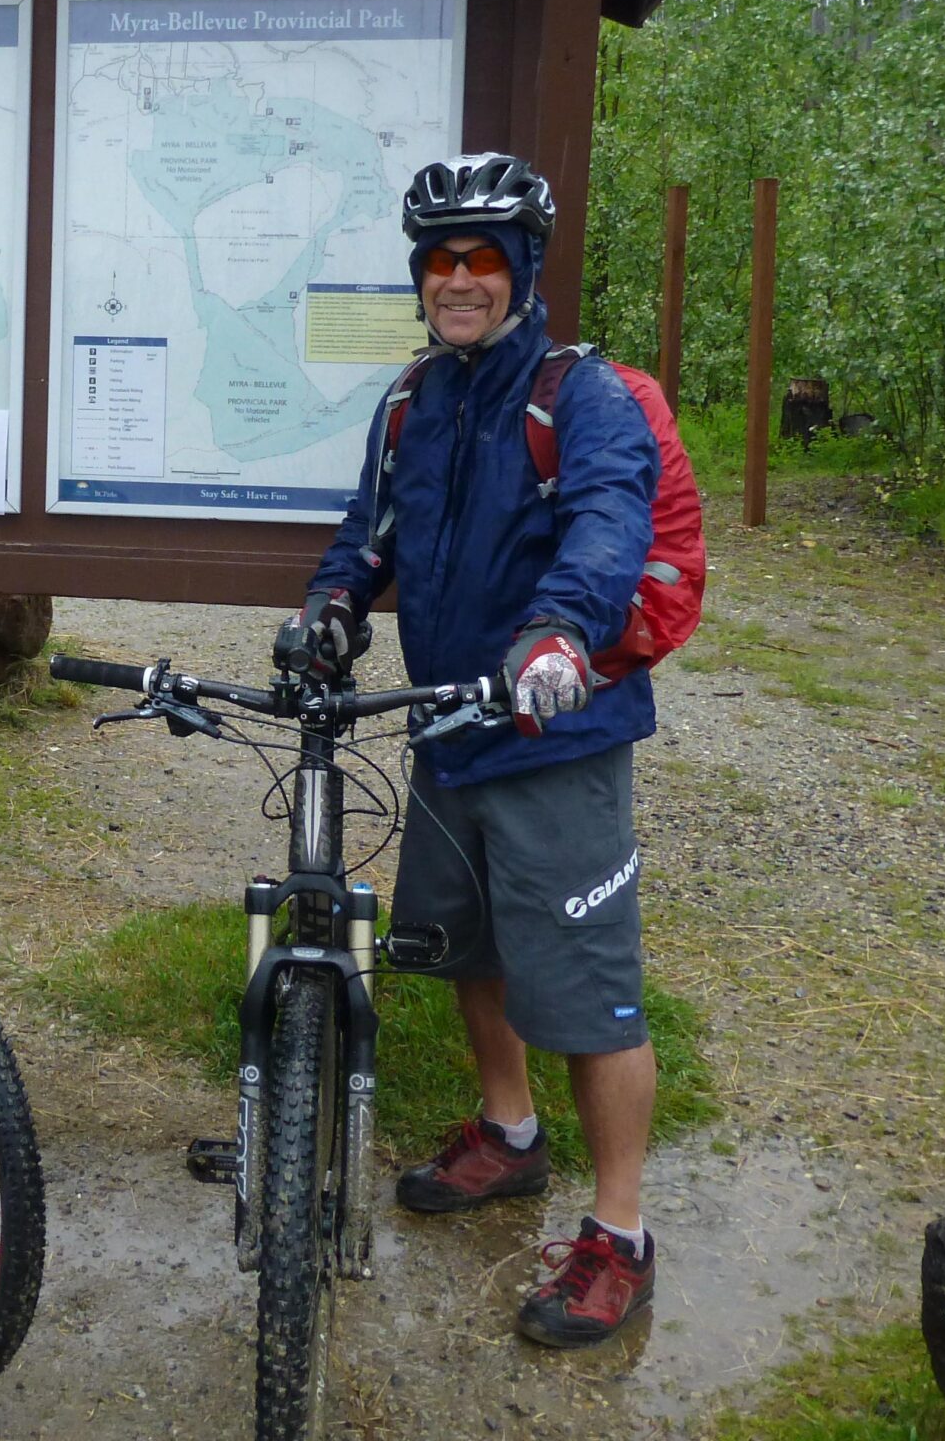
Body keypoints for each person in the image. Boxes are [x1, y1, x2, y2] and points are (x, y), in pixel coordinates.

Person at [276, 154, 665, 1347]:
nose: (458, 279)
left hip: (555, 734)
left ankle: (620, 1236)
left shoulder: (578, 394)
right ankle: (509, 1135)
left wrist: (558, 631)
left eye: (481, 258)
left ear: (521, 271)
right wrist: (333, 606)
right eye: (438, 260)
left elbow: (609, 520)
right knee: (460, 946)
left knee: (591, 996)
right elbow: (366, 534)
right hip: (447, 726)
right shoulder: (411, 400)